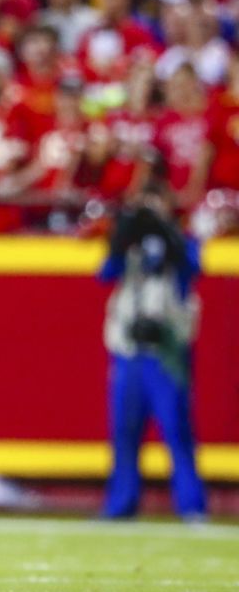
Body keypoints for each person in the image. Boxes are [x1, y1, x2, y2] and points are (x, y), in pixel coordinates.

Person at [99, 182, 207, 521]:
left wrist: (165, 229)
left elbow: (192, 268)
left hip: (166, 351)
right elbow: (105, 273)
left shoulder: (181, 242)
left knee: (177, 428)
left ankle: (191, 506)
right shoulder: (128, 242)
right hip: (129, 349)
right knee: (124, 431)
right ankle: (121, 504)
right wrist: (127, 233)